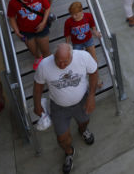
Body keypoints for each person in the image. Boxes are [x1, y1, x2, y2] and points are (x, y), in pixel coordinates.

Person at [33, 43, 98, 174]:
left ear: (72, 56)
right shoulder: (44, 65)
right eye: (58, 61)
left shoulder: (83, 57)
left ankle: (83, 130)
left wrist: (91, 96)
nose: (62, 65)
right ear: (54, 56)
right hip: (59, 108)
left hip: (81, 102)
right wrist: (37, 105)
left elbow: (94, 73)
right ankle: (68, 152)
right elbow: (38, 86)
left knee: (84, 121)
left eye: (65, 62)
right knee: (61, 138)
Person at [7, 0, 51, 70]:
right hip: (26, 31)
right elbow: (11, 17)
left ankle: (49, 68)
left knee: (46, 51)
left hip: (41, 28)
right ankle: (39, 59)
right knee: (33, 51)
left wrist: (43, 23)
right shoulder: (13, 3)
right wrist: (17, 31)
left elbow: (47, 8)